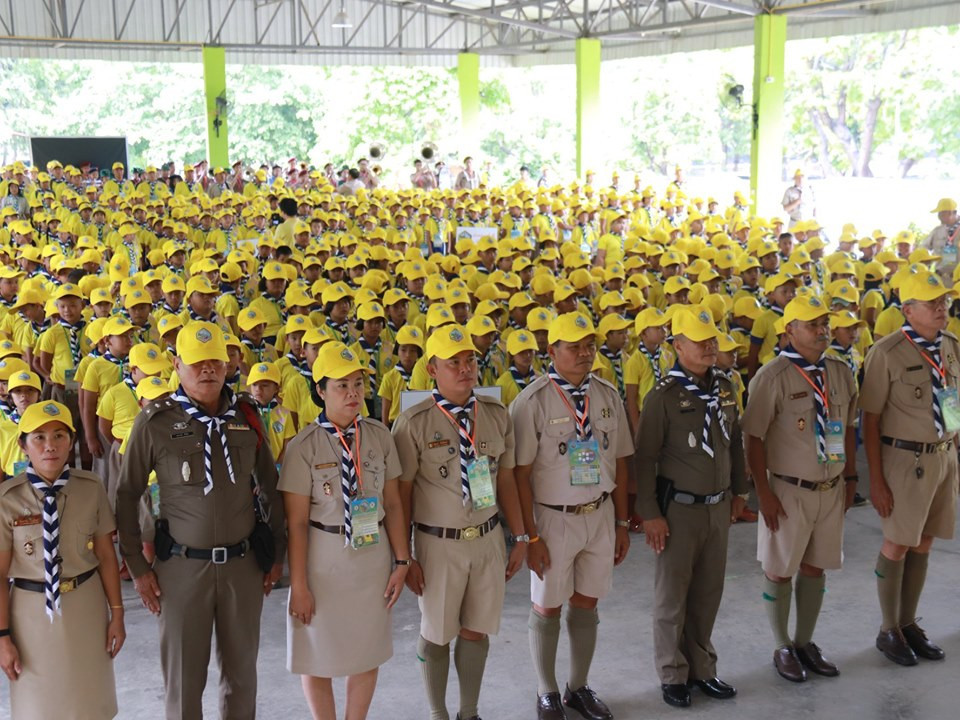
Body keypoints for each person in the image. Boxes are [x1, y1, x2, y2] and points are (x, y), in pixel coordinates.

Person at [114, 321, 287, 720]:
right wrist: (138, 567)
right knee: (184, 681)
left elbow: (270, 487)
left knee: (242, 678)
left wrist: (276, 553)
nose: (207, 369)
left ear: (227, 364)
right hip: (180, 570)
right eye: (197, 362)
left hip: (243, 567)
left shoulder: (247, 416)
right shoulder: (154, 421)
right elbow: (126, 495)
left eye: (214, 361)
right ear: (177, 365)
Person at [392, 324, 527, 720]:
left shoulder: (495, 415)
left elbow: (505, 479)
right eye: (454, 363)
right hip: (438, 544)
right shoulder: (413, 423)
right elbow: (400, 497)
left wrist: (520, 536)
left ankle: (470, 711)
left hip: (486, 539)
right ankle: (438, 712)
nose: (465, 369)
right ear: (432, 369)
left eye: (469, 360)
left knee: (477, 629)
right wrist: (405, 558)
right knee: (436, 633)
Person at [510, 312, 632, 720]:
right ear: (552, 351)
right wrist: (529, 537)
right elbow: (519, 475)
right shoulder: (532, 401)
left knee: (587, 603)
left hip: (599, 513)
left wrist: (621, 522)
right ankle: (546, 690)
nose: (584, 354)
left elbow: (623, 459)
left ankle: (577, 687)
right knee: (547, 606)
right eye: (574, 346)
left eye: (589, 346)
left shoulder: (608, 394)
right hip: (552, 518)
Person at [280, 341, 410, 720]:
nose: (353, 393)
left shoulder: (379, 436)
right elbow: (297, 522)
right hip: (323, 560)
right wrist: (300, 585)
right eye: (341, 385)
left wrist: (402, 559)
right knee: (316, 654)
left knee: (366, 649)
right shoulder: (303, 446)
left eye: (358, 383)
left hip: (370, 556)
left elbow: (395, 504)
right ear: (319, 391)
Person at [742, 294, 858, 683]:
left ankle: (805, 642)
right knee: (779, 569)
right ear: (789, 329)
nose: (823, 330)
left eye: (825, 323)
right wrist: (764, 492)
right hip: (789, 489)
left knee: (815, 567)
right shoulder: (772, 376)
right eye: (812, 324)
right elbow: (753, 438)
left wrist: (851, 479)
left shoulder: (840, 372)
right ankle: (782, 645)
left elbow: (849, 427)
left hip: (831, 486)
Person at [635, 307, 747, 708]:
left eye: (713, 339)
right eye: (700, 341)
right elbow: (645, 458)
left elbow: (734, 440)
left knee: (707, 592)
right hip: (678, 509)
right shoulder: (663, 396)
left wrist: (739, 491)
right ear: (677, 346)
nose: (709, 347)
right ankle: (672, 672)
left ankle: (703, 668)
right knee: (672, 595)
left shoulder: (725, 387)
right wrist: (649, 512)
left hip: (717, 507)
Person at [0, 401, 125, 720]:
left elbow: (106, 555)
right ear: (23, 444)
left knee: (91, 702)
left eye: (59, 435)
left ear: (72, 441)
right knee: (38, 706)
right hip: (30, 613)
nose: (50, 445)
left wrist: (117, 614)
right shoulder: (8, 499)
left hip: (85, 604)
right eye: (38, 437)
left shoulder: (90, 488)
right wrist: (3, 638)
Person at [860, 270, 959, 666]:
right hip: (904, 460)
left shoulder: (951, 346)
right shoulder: (886, 352)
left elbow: (951, 401)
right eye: (932, 303)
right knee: (898, 542)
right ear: (908, 310)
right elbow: (869, 421)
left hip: (942, 456)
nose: (941, 308)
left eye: (944, 302)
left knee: (925, 540)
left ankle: (907, 623)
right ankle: (888, 629)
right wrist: (877, 482)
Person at [921, 198, 960, 285]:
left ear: (951, 212)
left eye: (941, 213)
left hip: (958, 281)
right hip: (940, 280)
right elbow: (922, 249)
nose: (938, 216)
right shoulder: (937, 231)